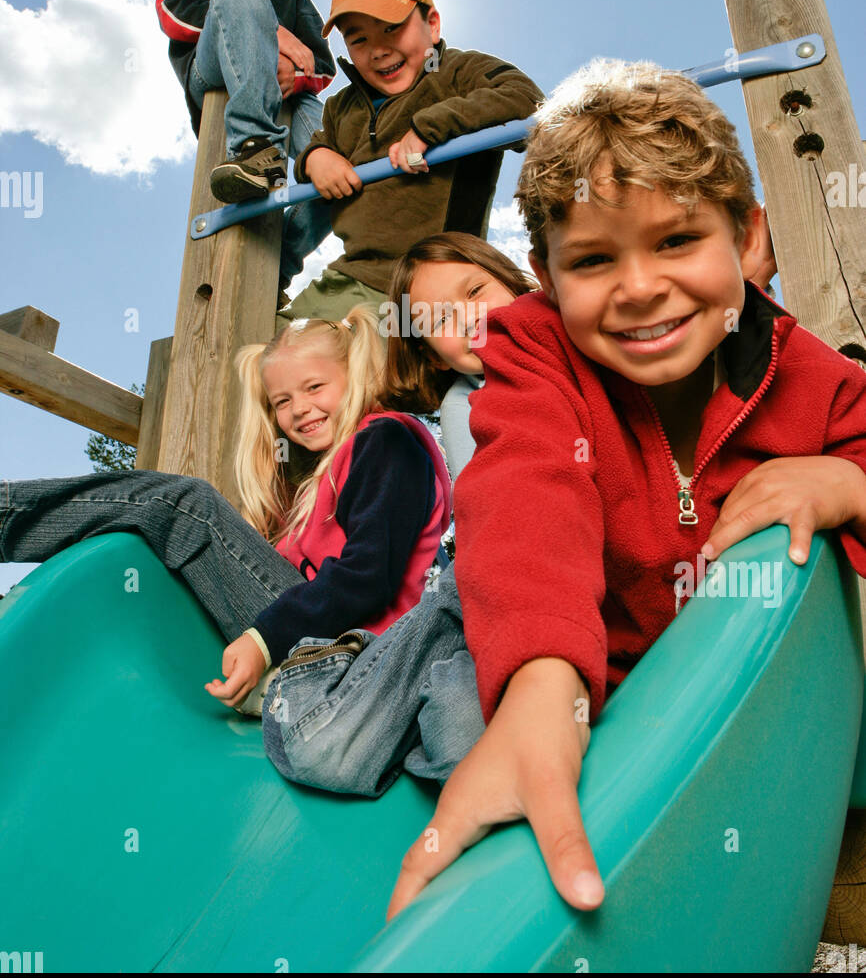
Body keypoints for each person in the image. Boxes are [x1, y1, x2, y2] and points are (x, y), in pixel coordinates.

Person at [388, 57, 866, 919]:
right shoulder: (534, 354)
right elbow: (527, 491)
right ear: (546, 273)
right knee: (478, 737)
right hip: (596, 683)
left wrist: (847, 480)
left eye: (678, 239)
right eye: (594, 259)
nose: (642, 287)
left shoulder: (808, 375)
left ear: (747, 237)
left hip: (747, 684)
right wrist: (540, 684)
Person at [0, 308, 482, 795]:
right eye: (282, 401)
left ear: (354, 375)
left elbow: (369, 576)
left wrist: (265, 638)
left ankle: (5, 514)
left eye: (315, 388)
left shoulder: (387, 440)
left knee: (186, 507)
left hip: (358, 656)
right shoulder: (317, 484)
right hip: (323, 646)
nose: (299, 409)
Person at [277, 0, 544, 327]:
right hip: (355, 276)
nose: (379, 50)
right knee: (278, 353)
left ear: (432, 24)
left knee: (381, 367)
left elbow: (526, 100)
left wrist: (428, 128)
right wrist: (316, 158)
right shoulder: (343, 106)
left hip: (435, 276)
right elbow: (319, 145)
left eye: (391, 28)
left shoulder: (456, 73)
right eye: (359, 39)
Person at [155, 0, 336, 283]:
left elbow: (322, 64)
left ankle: (281, 265)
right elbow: (175, 13)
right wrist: (269, 34)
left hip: (285, 94)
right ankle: (255, 148)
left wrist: (296, 74)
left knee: (342, 155)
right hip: (213, 69)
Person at [384, 233, 537, 479]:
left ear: (511, 282)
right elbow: (483, 503)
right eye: (442, 319)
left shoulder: (572, 333)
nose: (468, 320)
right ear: (436, 357)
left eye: (475, 291)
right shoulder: (462, 407)